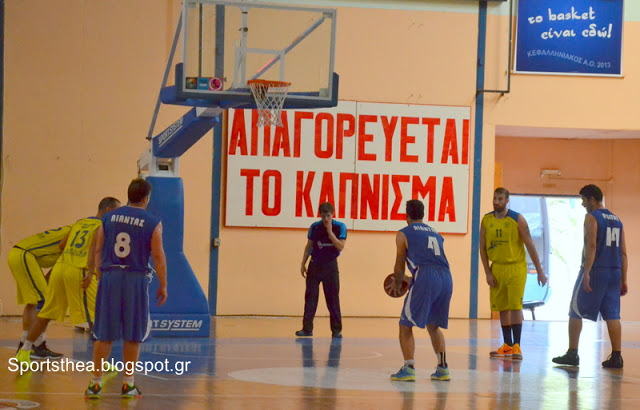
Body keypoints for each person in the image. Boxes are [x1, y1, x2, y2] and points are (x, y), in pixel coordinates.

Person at [85, 178, 167, 399]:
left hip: (110, 275)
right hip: (135, 278)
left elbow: (98, 248)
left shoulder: (108, 217)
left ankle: (95, 384)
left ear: (129, 195)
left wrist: (101, 274)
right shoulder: (153, 222)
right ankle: (128, 384)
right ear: (146, 198)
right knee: (132, 335)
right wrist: (163, 284)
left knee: (104, 334)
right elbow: (158, 255)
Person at [15, 197, 121, 365]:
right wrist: (91, 272)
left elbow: (62, 245)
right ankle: (101, 362)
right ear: (108, 210)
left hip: (60, 268)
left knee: (46, 313)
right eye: (116, 210)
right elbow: (94, 249)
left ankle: (25, 350)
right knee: (96, 318)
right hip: (79, 270)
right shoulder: (103, 225)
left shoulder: (80, 222)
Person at [553, 184, 627, 368]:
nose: (582, 204)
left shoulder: (592, 217)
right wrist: (624, 279)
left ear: (592, 199)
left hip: (596, 270)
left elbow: (592, 246)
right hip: (615, 271)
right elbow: (624, 253)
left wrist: (587, 272)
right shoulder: (617, 220)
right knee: (612, 314)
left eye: (583, 200)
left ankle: (572, 353)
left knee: (575, 310)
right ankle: (617, 356)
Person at [389, 199, 454, 382]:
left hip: (426, 275)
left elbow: (400, 265)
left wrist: (397, 282)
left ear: (406, 215)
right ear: (423, 214)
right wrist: (409, 279)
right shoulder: (436, 233)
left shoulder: (404, 233)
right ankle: (443, 368)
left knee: (405, 324)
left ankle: (409, 368)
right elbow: (431, 265)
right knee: (433, 324)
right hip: (446, 277)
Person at [480, 187, 546, 360]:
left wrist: (540, 271)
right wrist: (487, 272)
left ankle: (517, 346)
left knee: (515, 306)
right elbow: (482, 248)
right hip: (497, 267)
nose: (496, 202)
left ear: (507, 201)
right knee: (502, 307)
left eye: (500, 199)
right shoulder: (486, 220)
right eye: (495, 198)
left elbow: (530, 245)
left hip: (515, 267)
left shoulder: (517, 219)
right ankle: (507, 345)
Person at [8, 224, 71, 358]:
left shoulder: (76, 229)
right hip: (25, 255)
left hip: (18, 254)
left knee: (34, 302)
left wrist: (48, 281)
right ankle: (35, 345)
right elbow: (63, 251)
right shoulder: (80, 235)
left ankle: (26, 343)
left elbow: (60, 262)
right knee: (44, 302)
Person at [296, 202, 346, 338]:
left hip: (330, 266)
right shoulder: (315, 227)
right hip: (315, 265)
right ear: (320, 215)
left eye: (328, 216)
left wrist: (330, 233)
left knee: (333, 299)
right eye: (323, 216)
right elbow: (309, 246)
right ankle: (307, 329)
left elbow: (341, 246)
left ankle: (336, 330)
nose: (326, 219)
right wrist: (303, 263)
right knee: (310, 298)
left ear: (332, 214)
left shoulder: (340, 227)